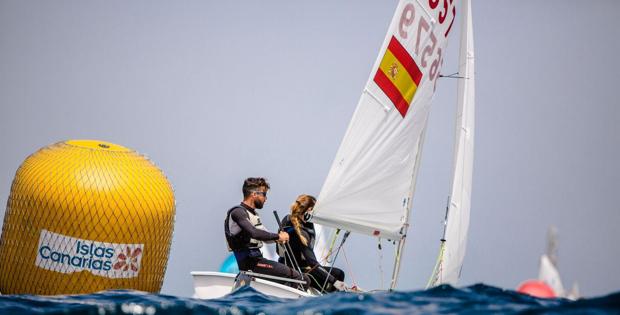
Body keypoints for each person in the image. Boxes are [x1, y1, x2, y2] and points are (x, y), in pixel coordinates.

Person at [224, 177, 309, 290]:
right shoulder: (238, 213)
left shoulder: (253, 214)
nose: (266, 199)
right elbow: (254, 233)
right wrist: (278, 236)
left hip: (258, 262)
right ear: (254, 194)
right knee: (299, 278)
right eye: (264, 194)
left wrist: (280, 237)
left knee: (304, 278)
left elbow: (265, 236)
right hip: (251, 265)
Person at [279, 194, 347, 293]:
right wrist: (335, 282)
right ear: (310, 210)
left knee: (333, 275)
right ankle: (331, 302)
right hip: (298, 271)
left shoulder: (287, 219)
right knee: (338, 274)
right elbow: (313, 265)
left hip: (287, 265)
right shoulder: (301, 233)